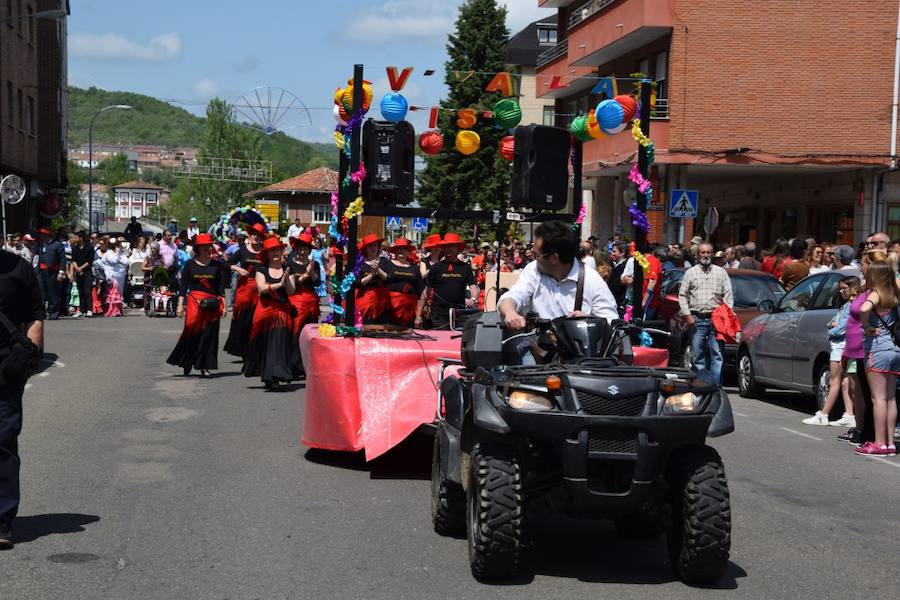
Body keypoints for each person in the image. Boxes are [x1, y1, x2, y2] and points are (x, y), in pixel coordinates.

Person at [498, 220, 618, 335]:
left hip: (579, 353)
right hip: (537, 350)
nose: (533, 259)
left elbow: (612, 322)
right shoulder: (533, 270)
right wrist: (510, 313)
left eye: (536, 255)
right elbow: (513, 296)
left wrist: (589, 321)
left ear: (554, 258)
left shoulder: (591, 278)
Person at [0, 248, 44, 549]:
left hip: (5, 367)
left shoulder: (19, 268)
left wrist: (29, 354)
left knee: (2, 437)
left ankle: (1, 519)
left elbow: (35, 316)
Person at [803, 276, 860, 426]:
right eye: (840, 289)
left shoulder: (849, 306)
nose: (841, 291)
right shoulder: (846, 305)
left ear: (854, 288)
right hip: (842, 345)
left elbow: (841, 328)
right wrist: (833, 325)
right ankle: (849, 414)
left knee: (833, 381)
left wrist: (831, 330)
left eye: (845, 289)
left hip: (840, 345)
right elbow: (832, 322)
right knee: (844, 382)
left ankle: (824, 414)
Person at [856, 260, 899, 456]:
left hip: (877, 347)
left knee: (878, 398)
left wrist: (865, 326)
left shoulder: (876, 293)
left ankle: (879, 443)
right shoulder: (894, 294)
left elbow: (864, 308)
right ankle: (890, 443)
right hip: (894, 348)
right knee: (890, 398)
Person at [167, 234, 225, 377]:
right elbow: (183, 286)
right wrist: (180, 306)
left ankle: (204, 366)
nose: (207, 249)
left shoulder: (216, 265)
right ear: (197, 248)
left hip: (212, 304)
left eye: (208, 246)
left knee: (209, 336)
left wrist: (223, 304)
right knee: (192, 334)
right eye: (203, 247)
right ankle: (187, 360)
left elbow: (221, 288)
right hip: (194, 304)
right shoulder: (190, 265)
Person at [242, 236, 295, 390]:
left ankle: (276, 375)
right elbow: (261, 289)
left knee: (279, 343)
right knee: (265, 344)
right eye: (272, 251)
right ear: (267, 254)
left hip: (282, 312)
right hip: (265, 312)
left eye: (277, 250)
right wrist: (279, 284)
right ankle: (267, 375)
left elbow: (291, 292)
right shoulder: (261, 270)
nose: (275, 253)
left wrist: (288, 281)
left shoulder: (287, 269)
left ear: (282, 251)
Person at [678, 242, 734, 384]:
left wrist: (724, 315)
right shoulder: (690, 273)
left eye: (708, 252)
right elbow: (682, 295)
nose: (706, 255)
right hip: (696, 319)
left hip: (716, 320)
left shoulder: (721, 273)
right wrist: (688, 315)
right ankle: (702, 385)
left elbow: (728, 295)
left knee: (718, 355)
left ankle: (715, 386)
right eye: (703, 252)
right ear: (697, 255)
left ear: (712, 254)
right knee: (698, 355)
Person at [416, 233, 478, 330]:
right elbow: (425, 293)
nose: (448, 249)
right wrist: (418, 316)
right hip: (438, 316)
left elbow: (473, 287)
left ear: (458, 249)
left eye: (452, 246)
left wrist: (473, 298)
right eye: (446, 246)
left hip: (459, 314)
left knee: (458, 343)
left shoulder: (465, 267)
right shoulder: (436, 268)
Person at [223, 223, 266, 357]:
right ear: (249, 235)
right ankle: (242, 349)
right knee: (243, 319)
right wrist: (238, 268)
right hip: (245, 290)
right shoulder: (242, 250)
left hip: (261, 289)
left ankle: (255, 350)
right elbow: (226, 263)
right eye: (254, 235)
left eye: (259, 236)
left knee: (257, 320)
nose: (256, 238)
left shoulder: (265, 251)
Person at [286, 233, 320, 378]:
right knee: (295, 334)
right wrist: (304, 276)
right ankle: (293, 366)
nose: (303, 251)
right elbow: (290, 284)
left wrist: (311, 273)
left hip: (311, 302)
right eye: (300, 249)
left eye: (305, 249)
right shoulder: (290, 264)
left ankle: (305, 366)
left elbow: (317, 283)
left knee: (309, 335)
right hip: (296, 302)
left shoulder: (314, 264)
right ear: (296, 249)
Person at [383, 238, 423, 327]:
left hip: (409, 309)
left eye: (404, 248)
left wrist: (419, 314)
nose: (401, 250)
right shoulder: (387, 265)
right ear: (395, 251)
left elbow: (420, 290)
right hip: (390, 307)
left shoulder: (415, 268)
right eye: (399, 248)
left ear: (408, 252)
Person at [356, 234, 389, 324]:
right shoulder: (360, 263)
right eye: (370, 246)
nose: (373, 248)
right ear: (365, 248)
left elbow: (388, 279)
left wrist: (378, 270)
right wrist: (371, 275)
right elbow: (358, 283)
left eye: (375, 245)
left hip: (382, 302)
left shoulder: (384, 261)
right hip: (365, 301)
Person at [36, 227, 66, 320]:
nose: (41, 237)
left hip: (53, 272)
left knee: (53, 293)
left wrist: (61, 271)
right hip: (42, 272)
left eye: (43, 235)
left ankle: (54, 313)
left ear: (48, 235)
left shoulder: (58, 245)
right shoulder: (41, 245)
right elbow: (40, 259)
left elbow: (62, 259)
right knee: (41, 293)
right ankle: (42, 313)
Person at [101, 238, 129, 317]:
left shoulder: (121, 253)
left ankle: (118, 310)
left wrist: (119, 257)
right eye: (118, 245)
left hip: (120, 275)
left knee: (119, 293)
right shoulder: (108, 253)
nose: (119, 247)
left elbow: (126, 262)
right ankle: (111, 311)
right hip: (111, 275)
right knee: (112, 293)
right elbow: (113, 261)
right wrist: (117, 254)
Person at [70, 231, 94, 318]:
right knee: (80, 291)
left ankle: (89, 310)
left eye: (77, 237)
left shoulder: (89, 248)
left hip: (87, 271)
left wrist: (81, 268)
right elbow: (73, 260)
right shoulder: (75, 248)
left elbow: (89, 261)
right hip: (78, 271)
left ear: (81, 238)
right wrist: (77, 268)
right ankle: (81, 310)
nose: (75, 239)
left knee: (88, 291)